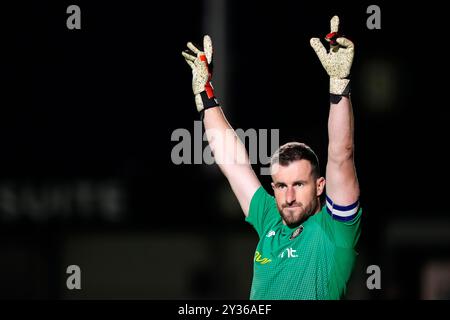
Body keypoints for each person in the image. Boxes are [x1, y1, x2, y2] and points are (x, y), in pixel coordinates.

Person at [181, 15, 361, 300]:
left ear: (319, 186)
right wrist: (204, 96)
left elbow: (342, 154)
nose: (288, 196)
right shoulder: (271, 220)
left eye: (299, 184)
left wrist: (339, 84)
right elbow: (232, 161)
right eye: (280, 185)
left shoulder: (335, 231)